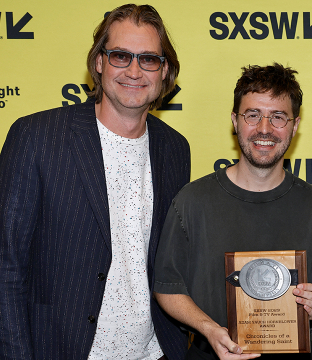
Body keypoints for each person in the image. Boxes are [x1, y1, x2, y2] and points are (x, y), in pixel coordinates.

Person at [0, 4, 190, 360]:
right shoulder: (37, 137)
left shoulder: (175, 148)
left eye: (149, 59)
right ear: (99, 62)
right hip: (61, 349)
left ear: (164, 71)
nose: (134, 71)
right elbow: (6, 264)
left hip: (154, 352)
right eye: (120, 55)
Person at [153, 63, 312, 360]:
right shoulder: (192, 202)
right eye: (253, 115)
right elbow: (167, 288)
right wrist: (208, 328)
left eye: (278, 117)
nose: (264, 129)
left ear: (295, 126)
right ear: (235, 121)